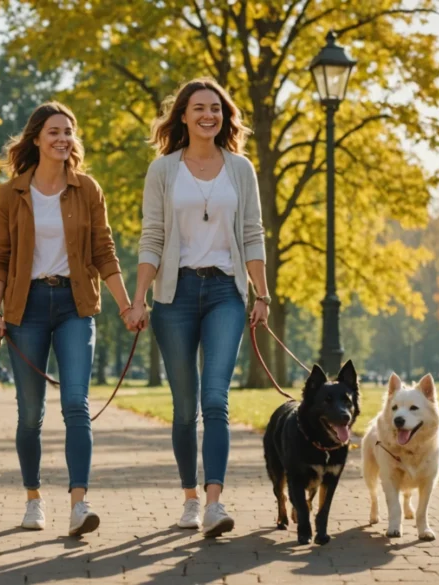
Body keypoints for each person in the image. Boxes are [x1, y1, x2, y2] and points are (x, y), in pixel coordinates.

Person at [0, 102, 138, 537]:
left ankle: (78, 503)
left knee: (76, 404)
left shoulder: (87, 190)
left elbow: (104, 252)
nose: (62, 138)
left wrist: (127, 306)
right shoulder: (10, 193)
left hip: (75, 305)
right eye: (53, 131)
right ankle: (34, 499)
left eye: (68, 132)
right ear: (36, 138)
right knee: (29, 412)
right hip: (25, 308)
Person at [126, 78, 269, 538]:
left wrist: (261, 293)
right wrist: (138, 297)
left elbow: (252, 233)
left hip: (226, 292)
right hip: (175, 296)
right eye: (199, 108)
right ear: (183, 116)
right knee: (185, 406)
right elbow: (152, 237)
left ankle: (213, 503)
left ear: (225, 117)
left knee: (216, 401)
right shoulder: (163, 170)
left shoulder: (240, 169)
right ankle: (189, 498)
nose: (209, 115)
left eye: (217, 108)